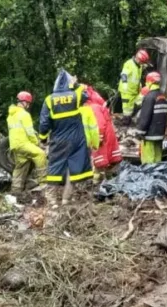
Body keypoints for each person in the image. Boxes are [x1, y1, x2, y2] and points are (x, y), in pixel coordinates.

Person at [39, 71, 99, 206]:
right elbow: (85, 95)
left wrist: (43, 137)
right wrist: (76, 84)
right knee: (74, 168)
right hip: (76, 139)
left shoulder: (49, 100)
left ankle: (53, 200)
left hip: (58, 140)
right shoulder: (75, 96)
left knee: (55, 167)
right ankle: (66, 199)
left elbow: (44, 123)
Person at [7, 92, 47, 194]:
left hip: (14, 146)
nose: (28, 105)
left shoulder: (11, 115)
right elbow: (30, 132)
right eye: (28, 103)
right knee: (40, 154)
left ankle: (15, 191)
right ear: (24, 102)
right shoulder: (24, 114)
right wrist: (37, 143)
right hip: (23, 143)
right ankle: (44, 184)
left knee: (20, 167)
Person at [85, 86, 121, 182]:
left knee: (100, 160)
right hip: (105, 135)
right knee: (105, 160)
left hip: (103, 136)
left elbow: (100, 123)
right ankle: (106, 179)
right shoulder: (95, 106)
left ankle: (97, 182)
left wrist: (99, 137)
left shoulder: (93, 108)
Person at [134, 72, 167, 164]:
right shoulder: (163, 96)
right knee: (158, 160)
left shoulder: (149, 97)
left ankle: (149, 176)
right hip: (159, 134)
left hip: (149, 135)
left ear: (149, 82)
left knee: (148, 161)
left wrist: (140, 132)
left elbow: (145, 117)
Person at [118, 49, 150, 126]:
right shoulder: (129, 64)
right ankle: (125, 123)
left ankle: (130, 119)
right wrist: (125, 83)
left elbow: (136, 77)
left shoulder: (139, 66)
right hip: (127, 90)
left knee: (137, 104)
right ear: (138, 59)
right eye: (142, 62)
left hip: (134, 90)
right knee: (127, 109)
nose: (142, 63)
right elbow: (124, 74)